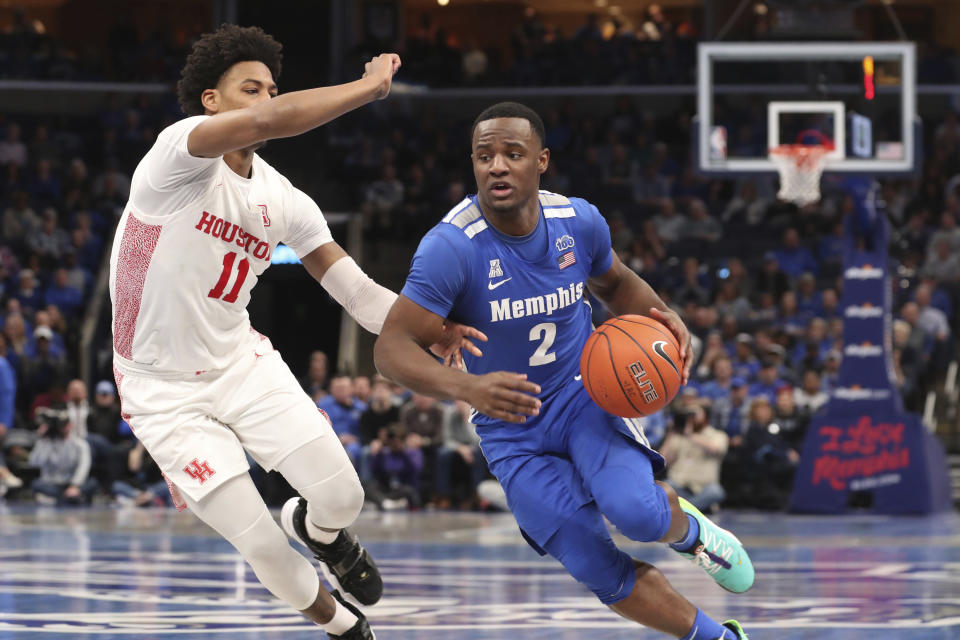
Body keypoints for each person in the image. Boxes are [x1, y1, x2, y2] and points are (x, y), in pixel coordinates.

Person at [108, 25, 480, 640]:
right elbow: (265, 124)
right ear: (211, 101)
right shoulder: (175, 157)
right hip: (159, 390)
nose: (264, 100)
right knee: (258, 541)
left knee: (344, 498)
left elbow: (356, 292)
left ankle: (318, 530)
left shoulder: (284, 200)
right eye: (248, 89)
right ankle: (342, 627)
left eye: (270, 89)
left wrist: (430, 331)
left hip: (240, 364)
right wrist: (365, 87)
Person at [374, 102, 752, 640]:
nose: (496, 166)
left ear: (541, 161)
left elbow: (617, 283)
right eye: (484, 156)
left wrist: (666, 321)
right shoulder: (450, 246)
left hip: (583, 398)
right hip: (509, 428)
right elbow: (390, 349)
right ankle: (719, 638)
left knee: (637, 515)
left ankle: (691, 533)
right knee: (592, 562)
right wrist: (468, 387)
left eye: (512, 154)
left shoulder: (577, 220)